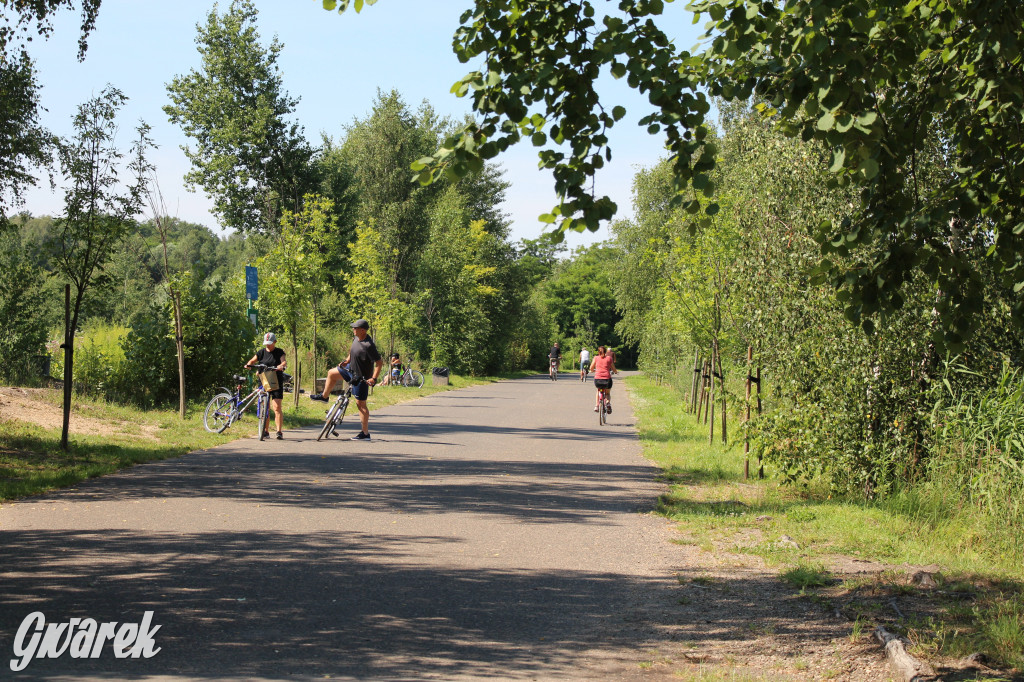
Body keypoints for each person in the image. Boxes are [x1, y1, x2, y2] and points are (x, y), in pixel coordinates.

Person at [310, 318, 383, 440]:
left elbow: (379, 362)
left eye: (356, 328)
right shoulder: (356, 338)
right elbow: (352, 351)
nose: (353, 329)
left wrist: (374, 378)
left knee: (361, 404)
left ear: (363, 330)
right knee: (331, 373)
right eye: (353, 327)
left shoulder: (369, 345)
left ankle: (365, 434)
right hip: (350, 370)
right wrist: (347, 361)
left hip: (361, 377)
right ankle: (324, 396)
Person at [245, 332, 286, 440]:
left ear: (275, 342)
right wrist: (249, 365)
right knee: (265, 407)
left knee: (276, 407)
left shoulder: (279, 352)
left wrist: (280, 366)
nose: (267, 345)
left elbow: (284, 362)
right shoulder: (261, 352)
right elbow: (252, 361)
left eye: (270, 343)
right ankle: (265, 430)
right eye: (266, 343)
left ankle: (279, 431)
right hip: (263, 380)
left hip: (276, 381)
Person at [591, 345, 617, 413]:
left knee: (598, 391)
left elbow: (591, 368)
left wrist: (594, 370)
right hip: (607, 379)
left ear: (598, 352)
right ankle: (608, 403)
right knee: (607, 393)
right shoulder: (609, 358)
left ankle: (596, 406)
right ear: (605, 351)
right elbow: (613, 368)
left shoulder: (596, 358)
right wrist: (615, 372)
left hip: (598, 380)